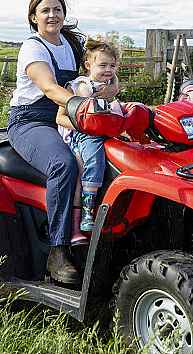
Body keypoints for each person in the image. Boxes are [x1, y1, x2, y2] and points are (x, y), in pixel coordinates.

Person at [7, 0, 119, 284]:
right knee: (64, 164)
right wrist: (83, 105)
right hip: (32, 121)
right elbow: (48, 88)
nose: (52, 15)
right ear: (34, 17)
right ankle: (58, 250)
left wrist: (112, 84)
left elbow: (101, 62)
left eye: (57, 9)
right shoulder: (33, 48)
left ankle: (98, 235)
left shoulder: (73, 43)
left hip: (72, 116)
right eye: (45, 10)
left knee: (114, 154)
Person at [57, 38, 123, 245]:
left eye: (112, 66)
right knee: (91, 163)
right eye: (103, 65)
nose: (108, 70)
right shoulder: (83, 86)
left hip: (103, 130)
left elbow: (112, 88)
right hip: (84, 132)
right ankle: (85, 213)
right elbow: (83, 115)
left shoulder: (108, 84)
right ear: (88, 65)